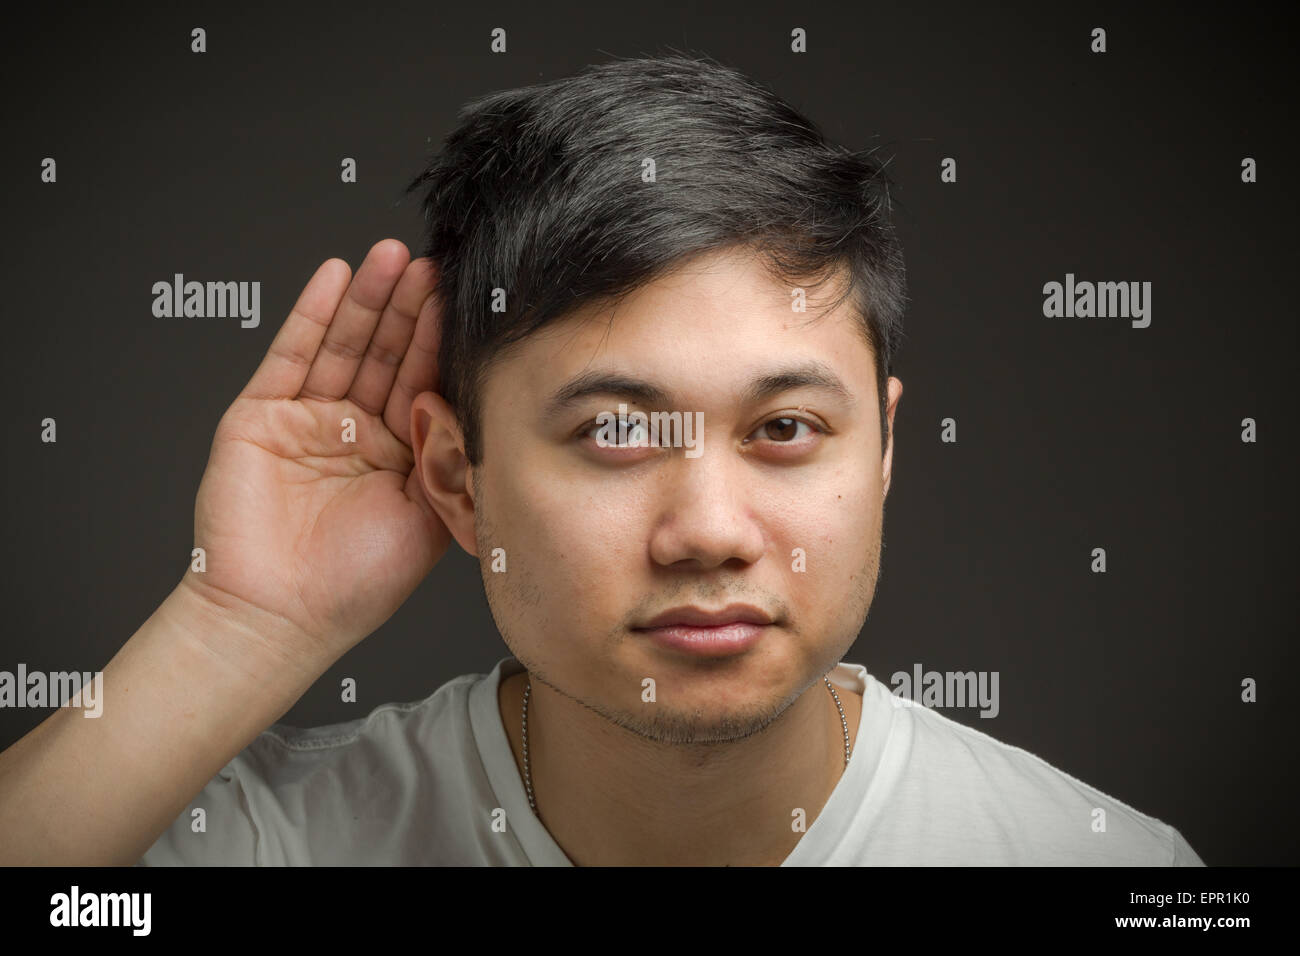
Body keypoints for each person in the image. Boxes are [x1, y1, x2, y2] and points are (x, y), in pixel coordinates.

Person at [0, 54, 1203, 866]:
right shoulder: (268, 842)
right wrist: (239, 621)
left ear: (883, 448)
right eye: (616, 431)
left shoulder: (1100, 860)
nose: (709, 530)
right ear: (459, 480)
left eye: (784, 429)